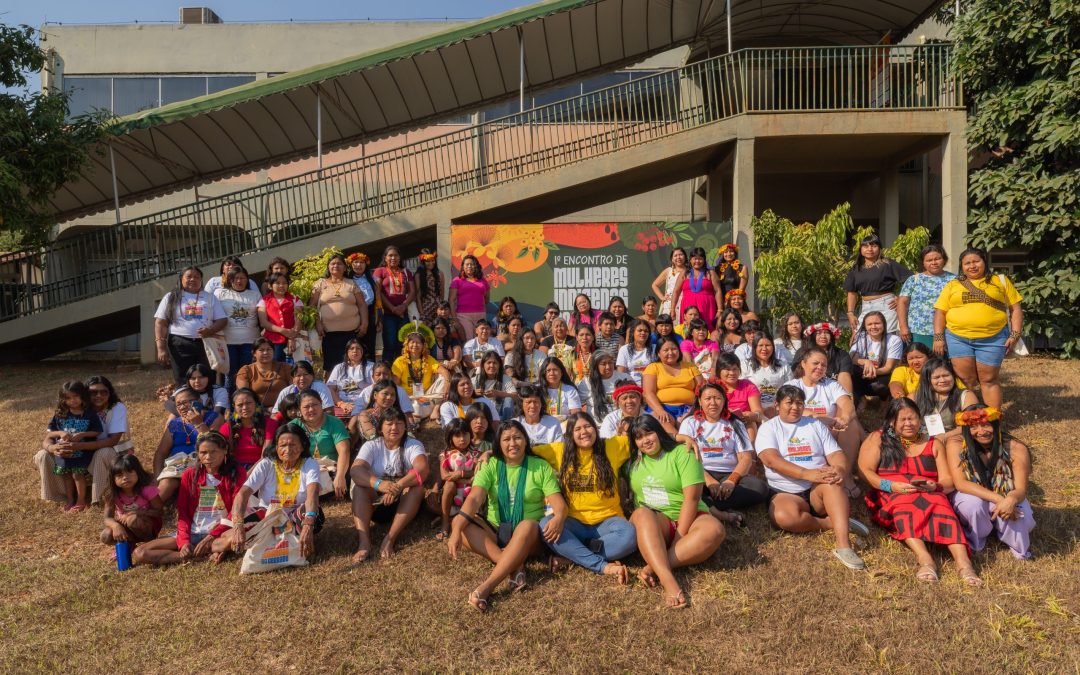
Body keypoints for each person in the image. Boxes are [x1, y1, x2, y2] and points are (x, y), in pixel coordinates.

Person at [447, 421, 567, 612]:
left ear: (526, 441)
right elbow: (474, 498)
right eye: (506, 439)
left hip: (528, 535)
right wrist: (456, 529)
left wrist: (559, 517)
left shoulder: (540, 466)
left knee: (527, 525)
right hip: (496, 528)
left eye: (518, 437)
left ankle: (487, 587)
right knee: (463, 524)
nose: (513, 443)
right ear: (499, 443)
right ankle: (514, 565)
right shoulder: (490, 464)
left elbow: (559, 504)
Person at [858, 398, 981, 585]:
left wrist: (936, 487)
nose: (908, 424)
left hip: (929, 491)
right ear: (893, 422)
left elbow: (948, 480)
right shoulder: (878, 438)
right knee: (904, 507)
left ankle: (964, 564)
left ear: (920, 419)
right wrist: (890, 486)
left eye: (913, 419)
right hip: (892, 492)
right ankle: (925, 559)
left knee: (943, 508)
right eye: (903, 420)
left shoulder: (934, 443)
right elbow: (864, 471)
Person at [755, 385, 869, 570]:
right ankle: (831, 522)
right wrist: (806, 473)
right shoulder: (768, 428)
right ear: (777, 405)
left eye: (799, 403)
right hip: (786, 491)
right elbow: (771, 460)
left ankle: (843, 545)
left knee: (832, 484)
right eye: (789, 402)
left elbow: (835, 454)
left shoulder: (814, 425)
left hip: (818, 487)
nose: (794, 407)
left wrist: (839, 469)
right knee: (783, 517)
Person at [626, 415, 726, 609]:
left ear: (659, 432)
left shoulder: (683, 453)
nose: (645, 440)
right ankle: (668, 579)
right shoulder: (632, 461)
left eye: (649, 433)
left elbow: (692, 499)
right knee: (641, 514)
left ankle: (655, 567)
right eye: (639, 437)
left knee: (715, 530)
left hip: (690, 515)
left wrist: (680, 535)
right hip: (656, 519)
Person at [533, 412, 636, 583]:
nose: (584, 432)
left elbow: (645, 436)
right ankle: (603, 565)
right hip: (574, 522)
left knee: (629, 535)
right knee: (546, 526)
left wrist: (680, 437)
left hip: (608, 523)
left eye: (588, 426)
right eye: (577, 429)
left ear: (595, 429)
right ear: (570, 435)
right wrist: (490, 453)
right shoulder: (559, 451)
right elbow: (526, 450)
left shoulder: (613, 446)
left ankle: (573, 556)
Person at [135, 431, 249, 566]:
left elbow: (236, 510)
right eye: (203, 453)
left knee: (236, 538)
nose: (208, 457)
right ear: (198, 454)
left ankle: (214, 549)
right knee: (140, 553)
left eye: (213, 452)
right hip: (193, 531)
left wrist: (211, 536)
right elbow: (183, 512)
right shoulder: (189, 474)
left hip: (220, 533)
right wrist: (184, 542)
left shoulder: (237, 473)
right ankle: (197, 556)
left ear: (225, 451)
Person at [933, 247, 1023, 410]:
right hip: (958, 338)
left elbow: (1015, 309)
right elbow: (940, 312)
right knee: (965, 380)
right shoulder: (953, 284)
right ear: (962, 266)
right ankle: (968, 419)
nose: (972, 266)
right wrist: (938, 338)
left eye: (976, 261)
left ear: (984, 262)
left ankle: (992, 420)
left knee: (989, 379)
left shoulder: (999, 281)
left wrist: (1015, 334)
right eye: (967, 263)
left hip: (993, 338)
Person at [946, 405, 1035, 560]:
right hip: (972, 493)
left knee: (1022, 516)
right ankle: (976, 541)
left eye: (986, 425)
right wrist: (999, 500)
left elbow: (1020, 489)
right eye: (973, 427)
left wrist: (1010, 500)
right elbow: (961, 484)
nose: (981, 432)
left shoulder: (1016, 448)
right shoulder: (956, 445)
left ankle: (1019, 551)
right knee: (972, 505)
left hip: (1006, 493)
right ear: (966, 429)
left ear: (995, 424)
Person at [677, 381, 767, 525]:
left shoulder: (735, 423)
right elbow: (687, 456)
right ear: (700, 401)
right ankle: (717, 505)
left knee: (760, 488)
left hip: (729, 474)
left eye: (717, 398)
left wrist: (731, 480)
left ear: (724, 400)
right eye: (708, 399)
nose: (713, 403)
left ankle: (708, 504)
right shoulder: (690, 423)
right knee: (688, 488)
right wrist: (709, 481)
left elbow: (746, 457)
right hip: (700, 473)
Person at [36, 375, 132, 507]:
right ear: (85, 394)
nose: (98, 396)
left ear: (110, 393)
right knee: (43, 454)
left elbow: (113, 441)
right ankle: (65, 496)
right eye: (93, 392)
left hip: (109, 452)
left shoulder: (116, 408)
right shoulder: (72, 410)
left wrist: (79, 445)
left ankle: (97, 497)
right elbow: (48, 437)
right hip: (76, 451)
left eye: (104, 392)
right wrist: (53, 448)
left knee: (102, 453)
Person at [349, 407, 429, 561]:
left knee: (417, 488)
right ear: (380, 427)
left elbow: (422, 469)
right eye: (389, 423)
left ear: (405, 427)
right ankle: (364, 542)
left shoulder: (413, 444)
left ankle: (390, 538)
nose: (394, 428)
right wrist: (379, 484)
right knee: (359, 488)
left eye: (399, 423)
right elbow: (356, 471)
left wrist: (397, 487)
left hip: (403, 503)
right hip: (376, 502)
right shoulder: (372, 445)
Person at [232, 425, 322, 561]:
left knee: (315, 514)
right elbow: (243, 494)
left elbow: (312, 494)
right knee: (241, 524)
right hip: (267, 517)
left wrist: (308, 524)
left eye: (293, 445)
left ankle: (276, 539)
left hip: (293, 517)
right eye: (282, 445)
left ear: (303, 446)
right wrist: (238, 525)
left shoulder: (309, 464)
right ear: (276, 447)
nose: (288, 450)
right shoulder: (266, 464)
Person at [785, 348, 864, 495]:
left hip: (830, 433)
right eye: (815, 363)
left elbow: (847, 404)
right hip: (803, 434)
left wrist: (844, 418)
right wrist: (824, 419)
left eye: (824, 365)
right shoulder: (792, 386)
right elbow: (795, 411)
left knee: (851, 424)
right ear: (803, 363)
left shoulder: (831, 385)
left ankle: (845, 475)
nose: (820, 368)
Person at [154, 266, 228, 385]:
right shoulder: (171, 297)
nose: (193, 279)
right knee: (182, 377)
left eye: (196, 277)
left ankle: (207, 402)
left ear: (201, 280)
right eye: (189, 276)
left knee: (207, 375)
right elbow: (161, 323)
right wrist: (161, 348)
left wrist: (210, 330)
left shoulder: (210, 297)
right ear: (181, 279)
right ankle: (186, 402)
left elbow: (222, 320)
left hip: (206, 343)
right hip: (179, 343)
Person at [154, 385, 224, 504]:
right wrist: (157, 477)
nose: (182, 407)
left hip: (203, 464)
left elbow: (213, 444)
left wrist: (198, 423)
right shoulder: (174, 424)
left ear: (199, 401)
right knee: (167, 483)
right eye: (178, 404)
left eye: (186, 402)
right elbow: (161, 453)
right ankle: (144, 512)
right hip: (178, 466)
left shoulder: (214, 418)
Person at [42, 381, 104, 513]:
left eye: (76, 396)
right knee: (67, 476)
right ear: (63, 400)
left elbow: (98, 431)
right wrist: (61, 433)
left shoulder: (90, 413)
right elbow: (50, 432)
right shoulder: (60, 413)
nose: (73, 401)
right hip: (64, 453)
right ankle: (70, 499)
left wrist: (83, 434)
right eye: (68, 398)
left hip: (82, 452)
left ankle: (81, 500)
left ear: (83, 396)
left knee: (77, 475)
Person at [311, 253, 369, 374]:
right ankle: (331, 392)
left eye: (339, 263)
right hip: (329, 334)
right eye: (333, 263)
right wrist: (318, 324)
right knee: (331, 368)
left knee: (353, 364)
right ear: (328, 267)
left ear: (344, 267)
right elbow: (312, 306)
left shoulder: (352, 283)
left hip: (351, 334)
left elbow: (362, 305)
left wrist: (365, 324)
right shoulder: (320, 284)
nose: (336, 266)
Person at [844, 233, 912, 334]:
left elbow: (911, 280)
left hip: (887, 306)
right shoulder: (856, 269)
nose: (870, 249)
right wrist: (850, 313)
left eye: (874, 246)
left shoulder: (888, 264)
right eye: (866, 246)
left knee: (887, 338)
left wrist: (901, 298)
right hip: (866, 307)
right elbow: (852, 292)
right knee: (860, 339)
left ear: (880, 248)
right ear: (861, 249)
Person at [290, 390, 351, 500]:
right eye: (306, 407)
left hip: (331, 470)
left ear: (321, 404)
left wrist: (340, 476)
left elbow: (344, 451)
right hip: (304, 470)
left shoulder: (334, 422)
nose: (311, 409)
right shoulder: (294, 426)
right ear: (299, 409)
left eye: (314, 405)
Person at [214, 266, 262, 393]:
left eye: (242, 278)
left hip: (250, 341)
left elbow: (262, 316)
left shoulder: (255, 295)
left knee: (247, 373)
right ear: (230, 280)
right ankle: (229, 403)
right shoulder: (220, 294)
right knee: (230, 374)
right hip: (228, 341)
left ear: (247, 280)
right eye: (236, 278)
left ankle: (248, 400)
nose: (239, 281)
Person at [897, 244, 955, 347]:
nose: (934, 263)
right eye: (929, 260)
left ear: (944, 259)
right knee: (920, 360)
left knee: (942, 362)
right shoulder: (914, 280)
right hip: (918, 331)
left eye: (937, 259)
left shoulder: (954, 280)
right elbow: (902, 302)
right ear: (923, 263)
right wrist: (903, 327)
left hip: (948, 331)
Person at [643, 336, 703, 434]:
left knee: (689, 423)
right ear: (658, 353)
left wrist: (694, 409)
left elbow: (702, 388)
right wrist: (660, 411)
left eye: (674, 349)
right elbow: (648, 393)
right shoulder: (653, 367)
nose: (670, 353)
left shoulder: (690, 366)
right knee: (663, 421)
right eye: (666, 350)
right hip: (661, 408)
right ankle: (678, 442)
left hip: (688, 409)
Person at [100, 454, 162, 548]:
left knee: (132, 520)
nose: (125, 477)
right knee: (106, 535)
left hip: (148, 525)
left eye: (129, 472)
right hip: (127, 527)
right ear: (113, 479)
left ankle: (150, 543)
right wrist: (115, 526)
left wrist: (136, 512)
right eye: (119, 475)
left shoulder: (147, 489)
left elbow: (160, 512)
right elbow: (107, 518)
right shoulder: (112, 494)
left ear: (138, 472)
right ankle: (129, 544)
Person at [437, 419, 485, 541]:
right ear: (450, 437)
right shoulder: (445, 454)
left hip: (469, 490)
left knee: (478, 485)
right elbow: (444, 475)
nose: (462, 439)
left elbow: (478, 472)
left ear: (470, 434)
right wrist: (465, 478)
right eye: (457, 435)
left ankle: (472, 518)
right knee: (449, 485)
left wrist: (461, 473)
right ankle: (445, 522)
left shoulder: (476, 453)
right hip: (453, 493)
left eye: (465, 434)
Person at [393, 325, 450, 420]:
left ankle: (436, 409)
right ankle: (415, 414)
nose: (415, 345)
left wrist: (447, 384)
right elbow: (395, 383)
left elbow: (444, 371)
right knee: (416, 407)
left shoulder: (429, 359)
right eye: (412, 342)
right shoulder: (399, 361)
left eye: (418, 343)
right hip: (408, 397)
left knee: (443, 378)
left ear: (424, 345)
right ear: (407, 345)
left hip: (427, 395)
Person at [912, 357, 979, 439]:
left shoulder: (966, 396)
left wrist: (944, 437)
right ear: (927, 380)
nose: (943, 380)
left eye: (946, 375)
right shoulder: (914, 397)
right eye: (937, 377)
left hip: (955, 440)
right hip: (923, 441)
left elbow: (972, 424)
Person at [848, 311, 904, 405]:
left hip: (882, 373)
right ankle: (860, 399)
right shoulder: (860, 337)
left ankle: (884, 401)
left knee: (882, 385)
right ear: (865, 326)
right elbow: (853, 357)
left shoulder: (894, 340)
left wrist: (872, 371)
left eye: (877, 323)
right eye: (869, 324)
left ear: (884, 324)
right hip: (862, 373)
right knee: (850, 372)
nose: (873, 327)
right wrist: (866, 362)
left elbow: (888, 368)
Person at [219, 387, 279, 470]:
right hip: (235, 469)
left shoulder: (269, 424)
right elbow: (223, 453)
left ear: (256, 403)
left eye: (249, 403)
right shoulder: (227, 427)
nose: (245, 408)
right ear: (234, 407)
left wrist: (248, 475)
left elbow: (265, 456)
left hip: (262, 468)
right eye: (240, 405)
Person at [374, 245, 416, 361]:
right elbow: (378, 291)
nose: (393, 258)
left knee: (402, 344)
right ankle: (387, 373)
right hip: (387, 315)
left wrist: (403, 306)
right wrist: (392, 308)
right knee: (390, 344)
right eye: (390, 255)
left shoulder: (406, 272)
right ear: (385, 258)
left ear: (400, 257)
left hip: (403, 314)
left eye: (396, 255)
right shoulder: (380, 271)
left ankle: (401, 373)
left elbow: (413, 292)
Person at [714, 353, 765, 437]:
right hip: (719, 422)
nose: (732, 373)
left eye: (735, 369)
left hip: (744, 422)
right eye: (727, 369)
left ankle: (750, 449)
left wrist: (753, 415)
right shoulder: (713, 386)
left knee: (751, 424)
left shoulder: (748, 385)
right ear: (719, 370)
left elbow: (758, 412)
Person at [257, 271, 304, 363]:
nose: (281, 286)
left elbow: (299, 319)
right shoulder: (264, 300)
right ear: (270, 286)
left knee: (293, 367)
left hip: (294, 339)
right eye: (278, 283)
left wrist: (291, 337)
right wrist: (282, 331)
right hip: (272, 341)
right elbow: (264, 322)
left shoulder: (295, 299)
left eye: (284, 283)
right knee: (275, 366)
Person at [795, 322, 855, 393]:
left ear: (832, 336)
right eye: (818, 333)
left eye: (827, 333)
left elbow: (844, 378)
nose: (823, 336)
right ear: (813, 336)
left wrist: (847, 401)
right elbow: (798, 375)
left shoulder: (842, 354)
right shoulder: (802, 352)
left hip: (833, 393)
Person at [741, 333, 792, 416]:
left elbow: (790, 390)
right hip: (753, 411)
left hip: (778, 410)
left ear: (773, 347)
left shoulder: (784, 366)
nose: (764, 349)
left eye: (768, 345)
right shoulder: (745, 365)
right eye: (760, 345)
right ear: (754, 347)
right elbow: (741, 390)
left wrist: (775, 408)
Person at [671, 247, 722, 329]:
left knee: (707, 330)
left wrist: (720, 310)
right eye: (695, 259)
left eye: (700, 259)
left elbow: (718, 291)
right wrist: (672, 309)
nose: (697, 261)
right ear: (690, 260)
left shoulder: (710, 273)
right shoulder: (684, 273)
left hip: (707, 308)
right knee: (688, 330)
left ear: (704, 260)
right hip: (688, 307)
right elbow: (676, 291)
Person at [235, 338, 292, 410]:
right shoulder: (246, 370)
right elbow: (243, 396)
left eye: (269, 349)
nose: (265, 353)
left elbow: (294, 389)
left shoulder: (285, 367)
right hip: (256, 412)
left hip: (283, 410)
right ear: (254, 353)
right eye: (261, 350)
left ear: (273, 351)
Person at [349, 378, 406, 444]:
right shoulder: (365, 415)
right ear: (375, 395)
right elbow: (371, 437)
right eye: (385, 394)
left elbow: (409, 435)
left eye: (392, 395)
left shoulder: (400, 415)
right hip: (374, 450)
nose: (389, 397)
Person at [327, 339, 375, 416]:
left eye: (358, 348)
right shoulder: (339, 368)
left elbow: (377, 386)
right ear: (347, 352)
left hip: (365, 404)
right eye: (351, 348)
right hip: (342, 404)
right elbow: (330, 388)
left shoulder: (371, 366)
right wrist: (341, 404)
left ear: (362, 351)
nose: (355, 351)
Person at [347, 252, 380, 360]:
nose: (359, 265)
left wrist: (379, 320)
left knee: (370, 346)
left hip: (370, 314)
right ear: (351, 264)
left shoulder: (373, 280)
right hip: (354, 313)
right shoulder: (347, 280)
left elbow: (378, 302)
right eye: (356, 262)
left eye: (362, 262)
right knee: (356, 345)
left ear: (366, 265)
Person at [270, 361, 334, 414]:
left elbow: (329, 411)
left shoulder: (320, 387)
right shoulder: (286, 392)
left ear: (312, 376)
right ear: (293, 379)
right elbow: (275, 413)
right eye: (298, 375)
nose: (302, 378)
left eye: (306, 374)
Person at [449, 252, 489, 339]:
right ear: (463, 266)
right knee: (469, 340)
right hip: (464, 316)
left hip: (480, 314)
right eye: (467, 264)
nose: (469, 266)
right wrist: (454, 318)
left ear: (476, 266)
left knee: (481, 340)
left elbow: (487, 299)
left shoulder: (483, 280)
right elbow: (451, 300)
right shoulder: (457, 280)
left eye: (472, 264)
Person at [472, 351, 517, 420]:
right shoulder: (475, 380)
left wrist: (498, 393)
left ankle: (505, 424)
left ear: (499, 365)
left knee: (509, 399)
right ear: (483, 365)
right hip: (480, 414)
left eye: (495, 363)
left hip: (500, 413)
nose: (492, 366)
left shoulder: (505, 378)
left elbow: (515, 396)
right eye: (489, 363)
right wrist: (473, 393)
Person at [539, 356, 582, 422]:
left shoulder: (570, 390)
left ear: (562, 372)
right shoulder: (538, 390)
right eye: (548, 370)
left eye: (555, 370)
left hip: (565, 426)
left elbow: (576, 415)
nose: (552, 373)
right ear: (544, 373)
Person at [615, 319, 656, 386]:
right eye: (640, 330)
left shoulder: (654, 348)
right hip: (630, 386)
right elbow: (621, 373)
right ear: (633, 332)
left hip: (651, 385)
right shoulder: (624, 349)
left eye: (646, 331)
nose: (643, 333)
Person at [578, 351, 617, 419]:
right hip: (596, 425)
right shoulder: (586, 383)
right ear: (595, 366)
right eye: (603, 364)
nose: (608, 367)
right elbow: (577, 406)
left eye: (610, 362)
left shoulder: (624, 378)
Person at [652, 247, 688, 318]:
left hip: (685, 302)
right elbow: (654, 285)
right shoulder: (668, 271)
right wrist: (662, 297)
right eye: (675, 255)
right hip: (669, 304)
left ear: (685, 257)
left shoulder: (690, 271)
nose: (678, 257)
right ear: (672, 259)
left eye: (680, 255)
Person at [413, 248, 444, 324]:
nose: (431, 263)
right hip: (425, 308)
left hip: (437, 308)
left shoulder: (440, 273)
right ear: (423, 262)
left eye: (432, 260)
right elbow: (418, 296)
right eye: (428, 261)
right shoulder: (418, 275)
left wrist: (440, 308)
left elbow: (442, 292)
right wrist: (421, 313)